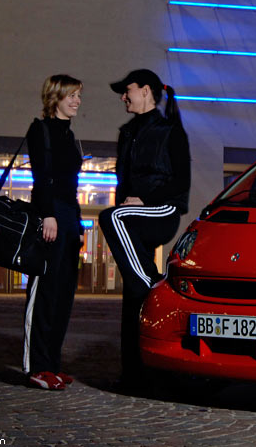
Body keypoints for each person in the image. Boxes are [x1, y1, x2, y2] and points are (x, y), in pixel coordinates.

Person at [99, 69, 190, 387]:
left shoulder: (170, 131)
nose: (124, 96)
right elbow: (122, 180)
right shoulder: (127, 132)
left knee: (111, 218)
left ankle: (153, 284)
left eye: (128, 90)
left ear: (147, 91)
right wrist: (127, 200)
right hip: (134, 213)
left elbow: (182, 183)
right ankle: (136, 374)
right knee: (131, 294)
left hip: (162, 210)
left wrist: (143, 199)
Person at [24, 74, 84, 390]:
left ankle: (53, 365)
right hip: (50, 214)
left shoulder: (69, 135)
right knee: (45, 292)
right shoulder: (41, 130)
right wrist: (48, 214)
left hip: (70, 218)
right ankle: (37, 367)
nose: (76, 101)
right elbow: (41, 177)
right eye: (72, 95)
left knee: (64, 294)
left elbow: (71, 186)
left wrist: (78, 224)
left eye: (78, 96)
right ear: (56, 97)